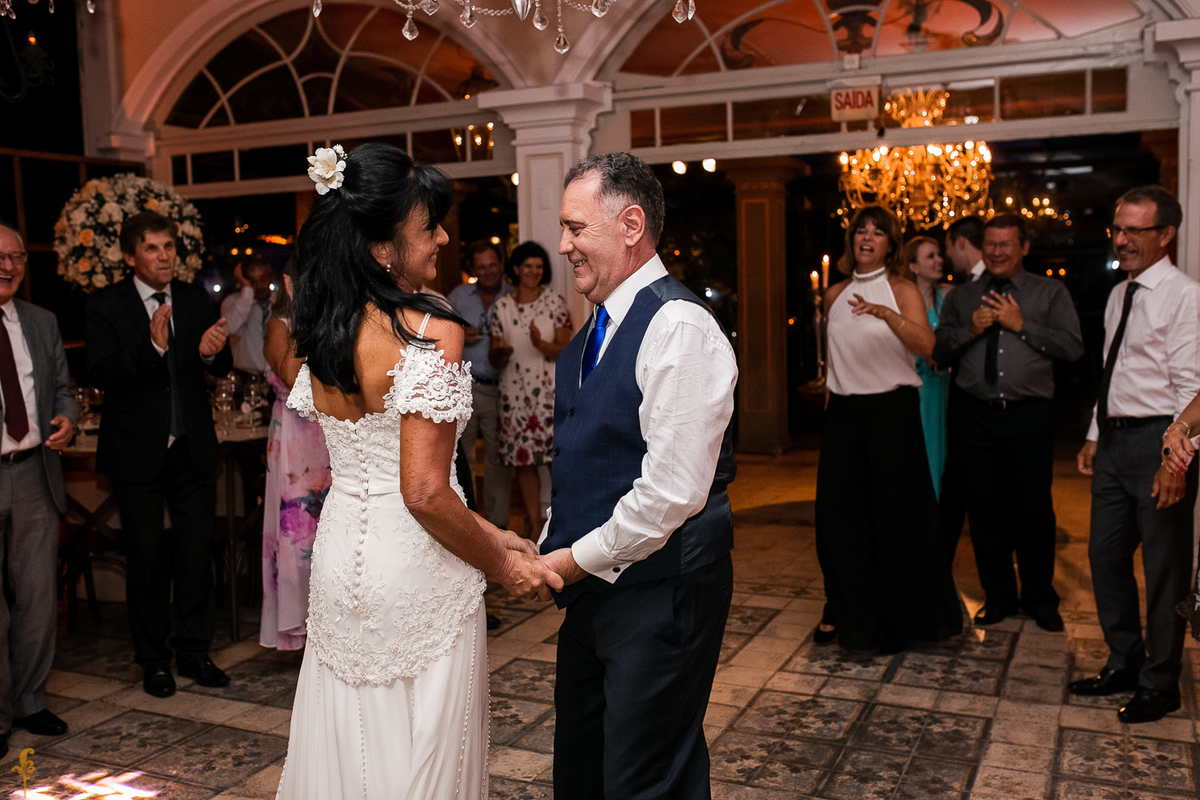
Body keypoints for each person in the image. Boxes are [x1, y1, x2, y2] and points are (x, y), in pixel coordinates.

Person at [275, 142, 561, 798]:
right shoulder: (430, 329)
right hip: (417, 570)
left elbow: (400, 477)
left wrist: (496, 534)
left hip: (341, 560)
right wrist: (503, 563)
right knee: (425, 751)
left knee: (349, 740)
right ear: (382, 247)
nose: (442, 237)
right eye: (428, 225)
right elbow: (425, 492)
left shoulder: (321, 328)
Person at [540, 152, 737, 800]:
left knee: (646, 778)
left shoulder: (679, 326)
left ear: (631, 225)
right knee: (582, 766)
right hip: (595, 587)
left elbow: (671, 491)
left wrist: (572, 561)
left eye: (575, 228)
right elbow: (586, 455)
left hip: (662, 590)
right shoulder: (595, 330)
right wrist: (549, 544)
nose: (563, 245)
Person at [85, 211, 233, 697]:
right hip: (137, 453)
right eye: (152, 248)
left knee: (195, 556)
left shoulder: (192, 298)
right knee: (146, 560)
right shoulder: (106, 305)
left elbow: (219, 362)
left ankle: (194, 652)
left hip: (191, 446)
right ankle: (154, 661)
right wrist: (151, 346)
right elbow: (101, 373)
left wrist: (211, 352)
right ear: (130, 257)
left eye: (168, 246)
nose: (164, 256)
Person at [1073, 186, 1200, 724]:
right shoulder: (1118, 293)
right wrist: (1095, 433)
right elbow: (1113, 372)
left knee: (1164, 568)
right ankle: (1124, 661)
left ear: (1165, 234)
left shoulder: (1184, 296)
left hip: (1160, 442)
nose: (1120, 240)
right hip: (1115, 442)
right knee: (1105, 557)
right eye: (1117, 229)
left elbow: (1192, 388)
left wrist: (1177, 461)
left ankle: (1161, 683)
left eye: (1133, 230)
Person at [814, 206, 961, 653]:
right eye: (861, 230)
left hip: (892, 415)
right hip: (844, 416)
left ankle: (901, 622)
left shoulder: (902, 288)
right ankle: (846, 613)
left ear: (890, 244)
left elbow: (928, 345)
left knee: (895, 521)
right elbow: (836, 358)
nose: (867, 237)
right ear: (852, 239)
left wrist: (886, 314)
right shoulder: (835, 293)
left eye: (878, 232)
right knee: (838, 522)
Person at [932, 214, 1084, 632]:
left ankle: (1039, 597)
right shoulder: (962, 297)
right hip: (973, 416)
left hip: (1028, 416)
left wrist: (1022, 325)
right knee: (984, 510)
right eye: (990, 244)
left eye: (1005, 244)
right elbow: (939, 350)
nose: (997, 252)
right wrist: (969, 330)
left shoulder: (1049, 292)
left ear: (1024, 247)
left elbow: (1072, 346)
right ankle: (998, 595)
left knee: (1033, 508)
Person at [0, 223, 78, 757]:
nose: (8, 266)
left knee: (35, 598)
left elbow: (62, 390)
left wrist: (66, 417)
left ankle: (29, 701)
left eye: (17, 257)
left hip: (34, 472)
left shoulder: (40, 320)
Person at [260, 261, 331, 651]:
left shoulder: (335, 318)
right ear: (289, 282)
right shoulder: (280, 326)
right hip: (294, 441)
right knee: (299, 536)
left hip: (331, 437)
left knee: (330, 533)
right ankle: (300, 625)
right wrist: (308, 317)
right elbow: (291, 375)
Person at [488, 241, 572, 535]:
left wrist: (541, 344)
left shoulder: (555, 303)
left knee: (556, 459)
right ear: (516, 269)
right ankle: (535, 526)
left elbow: (566, 350)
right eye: (528, 266)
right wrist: (500, 351)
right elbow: (493, 357)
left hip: (549, 393)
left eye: (538, 266)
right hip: (513, 393)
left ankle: (563, 522)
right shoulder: (501, 307)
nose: (534, 271)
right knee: (523, 461)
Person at [447, 241, 513, 529]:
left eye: (492, 265)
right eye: (481, 267)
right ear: (473, 269)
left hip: (501, 388)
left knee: (498, 459)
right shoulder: (458, 296)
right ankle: (468, 524)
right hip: (464, 388)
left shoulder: (513, 295)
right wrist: (460, 334)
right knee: (461, 457)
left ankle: (497, 527)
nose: (488, 271)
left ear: (501, 264)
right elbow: (439, 335)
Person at [940, 215, 985, 559]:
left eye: (946, 248)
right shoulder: (957, 292)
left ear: (961, 243)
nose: (946, 257)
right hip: (961, 404)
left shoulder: (987, 288)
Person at [905, 235, 950, 498]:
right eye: (930, 256)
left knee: (942, 453)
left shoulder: (947, 296)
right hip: (915, 389)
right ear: (913, 266)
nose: (939, 260)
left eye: (939, 254)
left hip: (943, 387)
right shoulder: (902, 301)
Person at [221, 255, 274, 377]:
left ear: (271, 278)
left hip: (278, 379)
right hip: (245, 377)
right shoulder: (232, 302)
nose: (259, 287)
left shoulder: (281, 302)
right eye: (252, 282)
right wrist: (247, 291)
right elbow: (230, 329)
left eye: (263, 280)